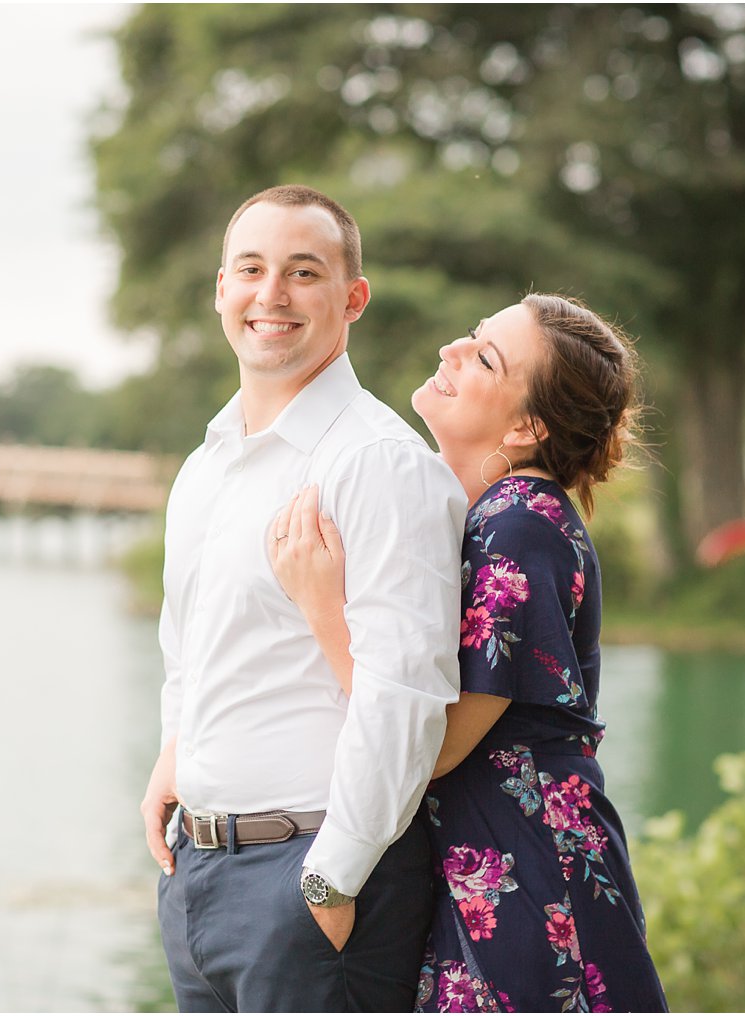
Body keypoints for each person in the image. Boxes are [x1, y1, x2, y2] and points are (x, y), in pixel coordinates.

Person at [270, 294, 669, 1012]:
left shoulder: (519, 522)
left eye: (486, 357)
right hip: (489, 860)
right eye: (475, 335)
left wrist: (321, 606)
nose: (454, 348)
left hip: (530, 869)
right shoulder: (486, 514)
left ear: (526, 426)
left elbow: (440, 744)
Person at [139, 184, 468, 1012]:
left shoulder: (378, 463)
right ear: (221, 290)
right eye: (250, 269)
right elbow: (188, 644)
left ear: (352, 297)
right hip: (197, 875)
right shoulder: (205, 465)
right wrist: (173, 756)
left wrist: (329, 880)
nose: (271, 295)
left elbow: (407, 693)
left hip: (313, 877)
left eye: (303, 272)